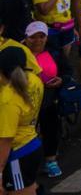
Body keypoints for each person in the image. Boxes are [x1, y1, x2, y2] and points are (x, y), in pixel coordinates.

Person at [23, 22, 69, 178]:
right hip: (25, 102)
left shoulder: (54, 51)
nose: (38, 40)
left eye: (41, 36)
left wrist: (61, 80)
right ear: (26, 38)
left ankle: (51, 161)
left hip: (49, 99)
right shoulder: (18, 53)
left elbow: (67, 70)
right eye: (33, 37)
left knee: (50, 129)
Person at [0, 46, 44, 195]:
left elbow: (5, 139)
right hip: (31, 145)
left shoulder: (8, 99)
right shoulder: (34, 80)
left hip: (17, 152)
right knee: (29, 187)